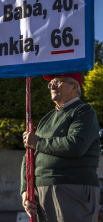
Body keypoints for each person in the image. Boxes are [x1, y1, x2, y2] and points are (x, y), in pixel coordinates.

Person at [20, 72, 101, 222]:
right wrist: (25, 190)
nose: (52, 85)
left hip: (72, 188)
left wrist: (38, 142)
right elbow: (29, 155)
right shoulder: (47, 119)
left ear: (74, 87)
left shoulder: (83, 111)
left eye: (58, 81)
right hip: (41, 192)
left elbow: (75, 145)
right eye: (51, 83)